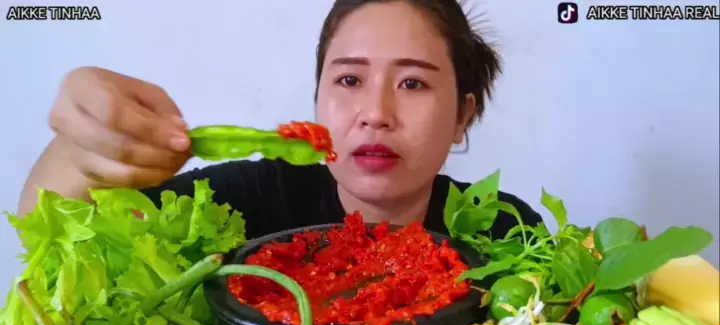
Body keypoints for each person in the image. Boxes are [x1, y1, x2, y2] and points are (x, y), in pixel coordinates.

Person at [18, 0, 542, 240]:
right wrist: (80, 152)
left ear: (462, 115)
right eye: (349, 80)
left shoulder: (506, 230)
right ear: (317, 100)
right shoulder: (244, 201)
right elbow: (61, 224)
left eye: (412, 84)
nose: (375, 115)